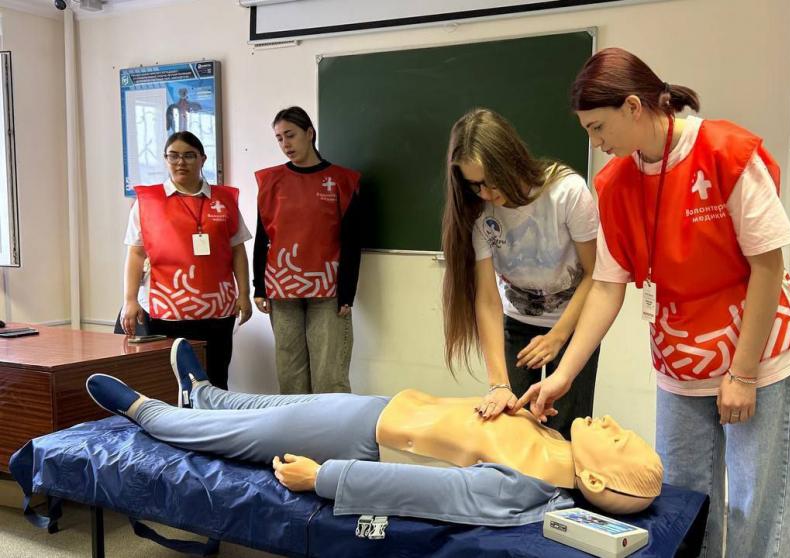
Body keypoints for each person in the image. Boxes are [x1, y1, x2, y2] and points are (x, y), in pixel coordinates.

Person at [512, 48, 790, 556]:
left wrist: (742, 374)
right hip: (681, 359)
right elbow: (607, 286)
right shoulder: (616, 184)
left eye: (598, 128)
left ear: (633, 107)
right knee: (685, 500)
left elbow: (768, 266)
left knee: (758, 501)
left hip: (756, 352)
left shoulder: (727, 153)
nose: (596, 144)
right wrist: (562, 375)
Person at [82, 339, 663, 526]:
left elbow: (430, 495)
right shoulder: (554, 445)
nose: (611, 422)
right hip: (385, 408)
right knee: (278, 404)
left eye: (617, 439)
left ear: (592, 478)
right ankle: (206, 394)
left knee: (241, 433)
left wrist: (324, 477)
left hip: (361, 439)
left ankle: (148, 412)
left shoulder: (527, 488)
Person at [441, 108, 600, 438]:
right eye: (474, 185)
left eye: (490, 180)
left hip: (573, 324)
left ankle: (558, 492)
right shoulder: (479, 212)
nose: (485, 193)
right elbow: (487, 299)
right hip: (516, 322)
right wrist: (498, 383)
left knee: (563, 432)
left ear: (509, 159)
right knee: (507, 424)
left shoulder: (567, 192)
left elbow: (594, 275)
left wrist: (558, 337)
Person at [121, 131, 252, 388]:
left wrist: (244, 294)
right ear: (165, 160)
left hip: (217, 310)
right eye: (174, 156)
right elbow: (136, 253)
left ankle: (215, 428)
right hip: (166, 311)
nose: (181, 162)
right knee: (171, 385)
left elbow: (237, 250)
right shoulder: (148, 201)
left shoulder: (223, 200)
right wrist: (130, 299)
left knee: (216, 380)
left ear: (202, 159)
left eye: (189, 156)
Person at [253, 106, 361, 394]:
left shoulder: (342, 181)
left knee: (329, 376)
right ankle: (297, 439)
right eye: (279, 138)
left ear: (309, 133)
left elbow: (351, 241)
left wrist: (347, 291)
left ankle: (334, 437)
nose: (285, 144)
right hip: (281, 289)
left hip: (328, 291)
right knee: (290, 375)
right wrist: (258, 288)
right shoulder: (270, 181)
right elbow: (263, 236)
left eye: (290, 135)